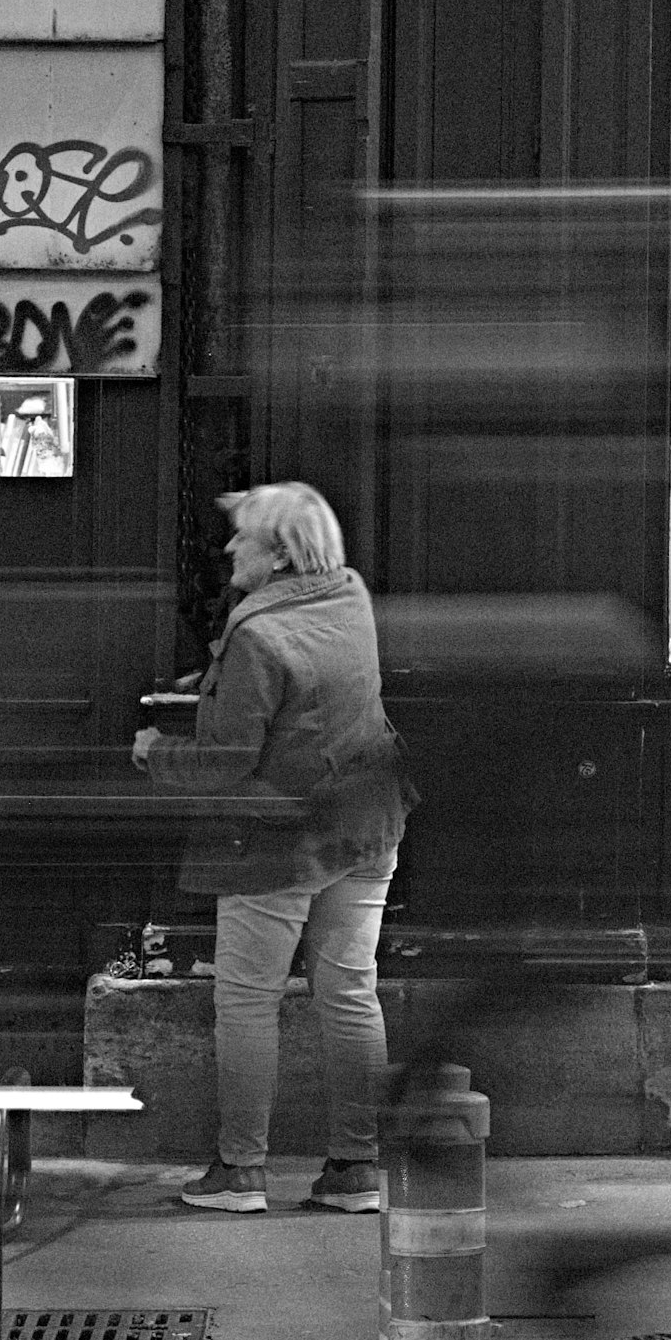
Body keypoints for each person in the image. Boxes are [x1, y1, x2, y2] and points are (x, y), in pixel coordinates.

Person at [130, 483, 415, 1214]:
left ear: (281, 552)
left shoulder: (258, 634)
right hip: (365, 821)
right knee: (349, 993)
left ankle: (241, 1172)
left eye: (245, 538)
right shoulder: (347, 595)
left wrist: (156, 749)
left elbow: (228, 759)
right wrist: (219, 687)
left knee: (248, 1001)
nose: (230, 548)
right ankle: (356, 1170)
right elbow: (311, 690)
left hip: (277, 839)